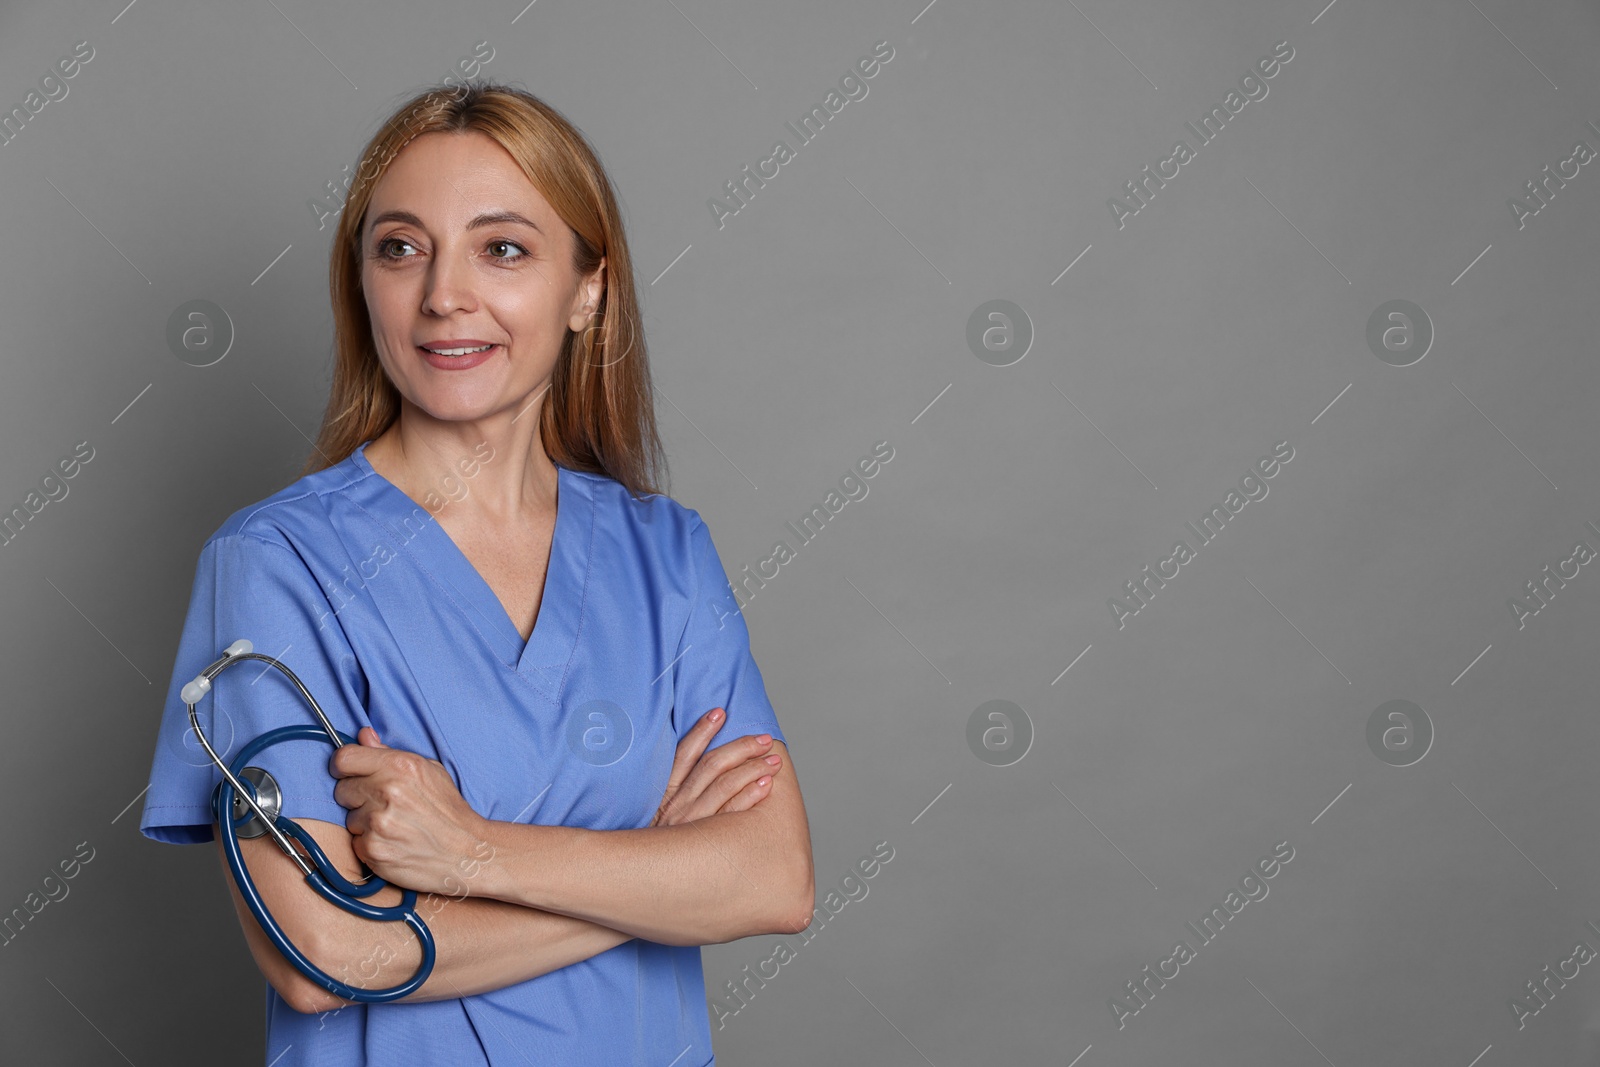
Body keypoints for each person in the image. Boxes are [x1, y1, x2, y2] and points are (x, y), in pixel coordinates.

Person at [138, 81, 814, 1066]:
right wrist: (653, 882)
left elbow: (773, 878)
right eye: (400, 247)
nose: (444, 293)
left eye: (502, 248)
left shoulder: (665, 554)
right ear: (361, 282)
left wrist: (470, 853)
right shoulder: (278, 563)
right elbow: (320, 952)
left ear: (588, 289)